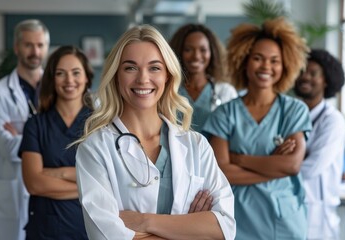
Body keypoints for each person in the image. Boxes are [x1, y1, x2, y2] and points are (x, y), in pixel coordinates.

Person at [74, 24, 235, 240]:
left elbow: (224, 228)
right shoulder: (95, 148)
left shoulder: (196, 145)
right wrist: (189, 229)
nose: (143, 79)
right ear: (116, 75)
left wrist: (143, 221)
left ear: (167, 75)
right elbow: (106, 236)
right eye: (130, 68)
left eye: (154, 68)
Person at [203, 17, 311, 240]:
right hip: (238, 219)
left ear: (285, 65)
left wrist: (239, 159)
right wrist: (272, 167)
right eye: (258, 58)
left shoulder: (294, 110)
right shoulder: (225, 114)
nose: (266, 67)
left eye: (274, 61)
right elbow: (221, 172)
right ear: (244, 61)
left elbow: (291, 165)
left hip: (284, 221)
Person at [0, 19, 49, 240]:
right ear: (17, 47)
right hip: (13, 188)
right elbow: (8, 148)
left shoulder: (58, 89)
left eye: (40, 45)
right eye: (28, 45)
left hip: (48, 188)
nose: (35, 51)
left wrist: (23, 136)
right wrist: (49, 140)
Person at [19, 46, 93, 239]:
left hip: (90, 229)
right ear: (52, 79)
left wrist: (59, 172)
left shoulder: (99, 125)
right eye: (61, 73)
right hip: (45, 230)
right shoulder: (35, 125)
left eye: (76, 73)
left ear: (86, 78)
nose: (69, 80)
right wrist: (90, 187)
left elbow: (111, 182)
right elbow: (34, 184)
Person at [294, 49, 345, 239]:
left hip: (318, 213)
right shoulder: (292, 113)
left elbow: (311, 168)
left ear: (326, 80)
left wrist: (284, 162)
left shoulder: (333, 120)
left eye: (313, 73)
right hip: (292, 207)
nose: (305, 77)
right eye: (301, 72)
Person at [169, 24, 237, 133]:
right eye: (188, 49)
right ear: (178, 52)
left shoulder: (225, 92)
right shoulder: (168, 91)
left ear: (212, 52)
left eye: (203, 50)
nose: (196, 56)